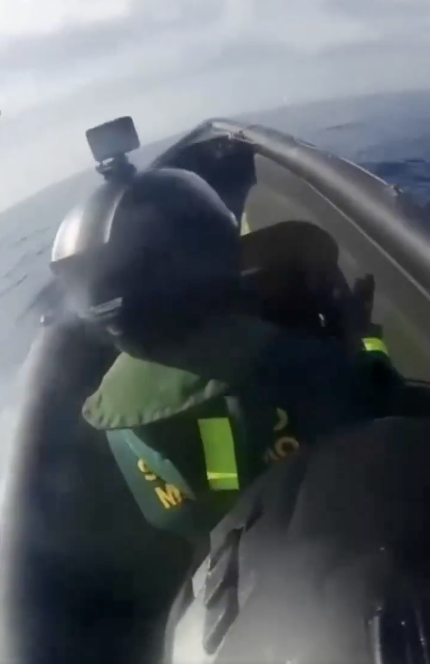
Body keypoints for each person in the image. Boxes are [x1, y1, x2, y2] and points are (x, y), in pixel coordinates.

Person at [51, 166, 402, 545]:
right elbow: (384, 406)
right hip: (347, 526)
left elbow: (221, 479)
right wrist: (364, 339)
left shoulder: (115, 422)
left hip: (233, 547)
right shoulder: (294, 363)